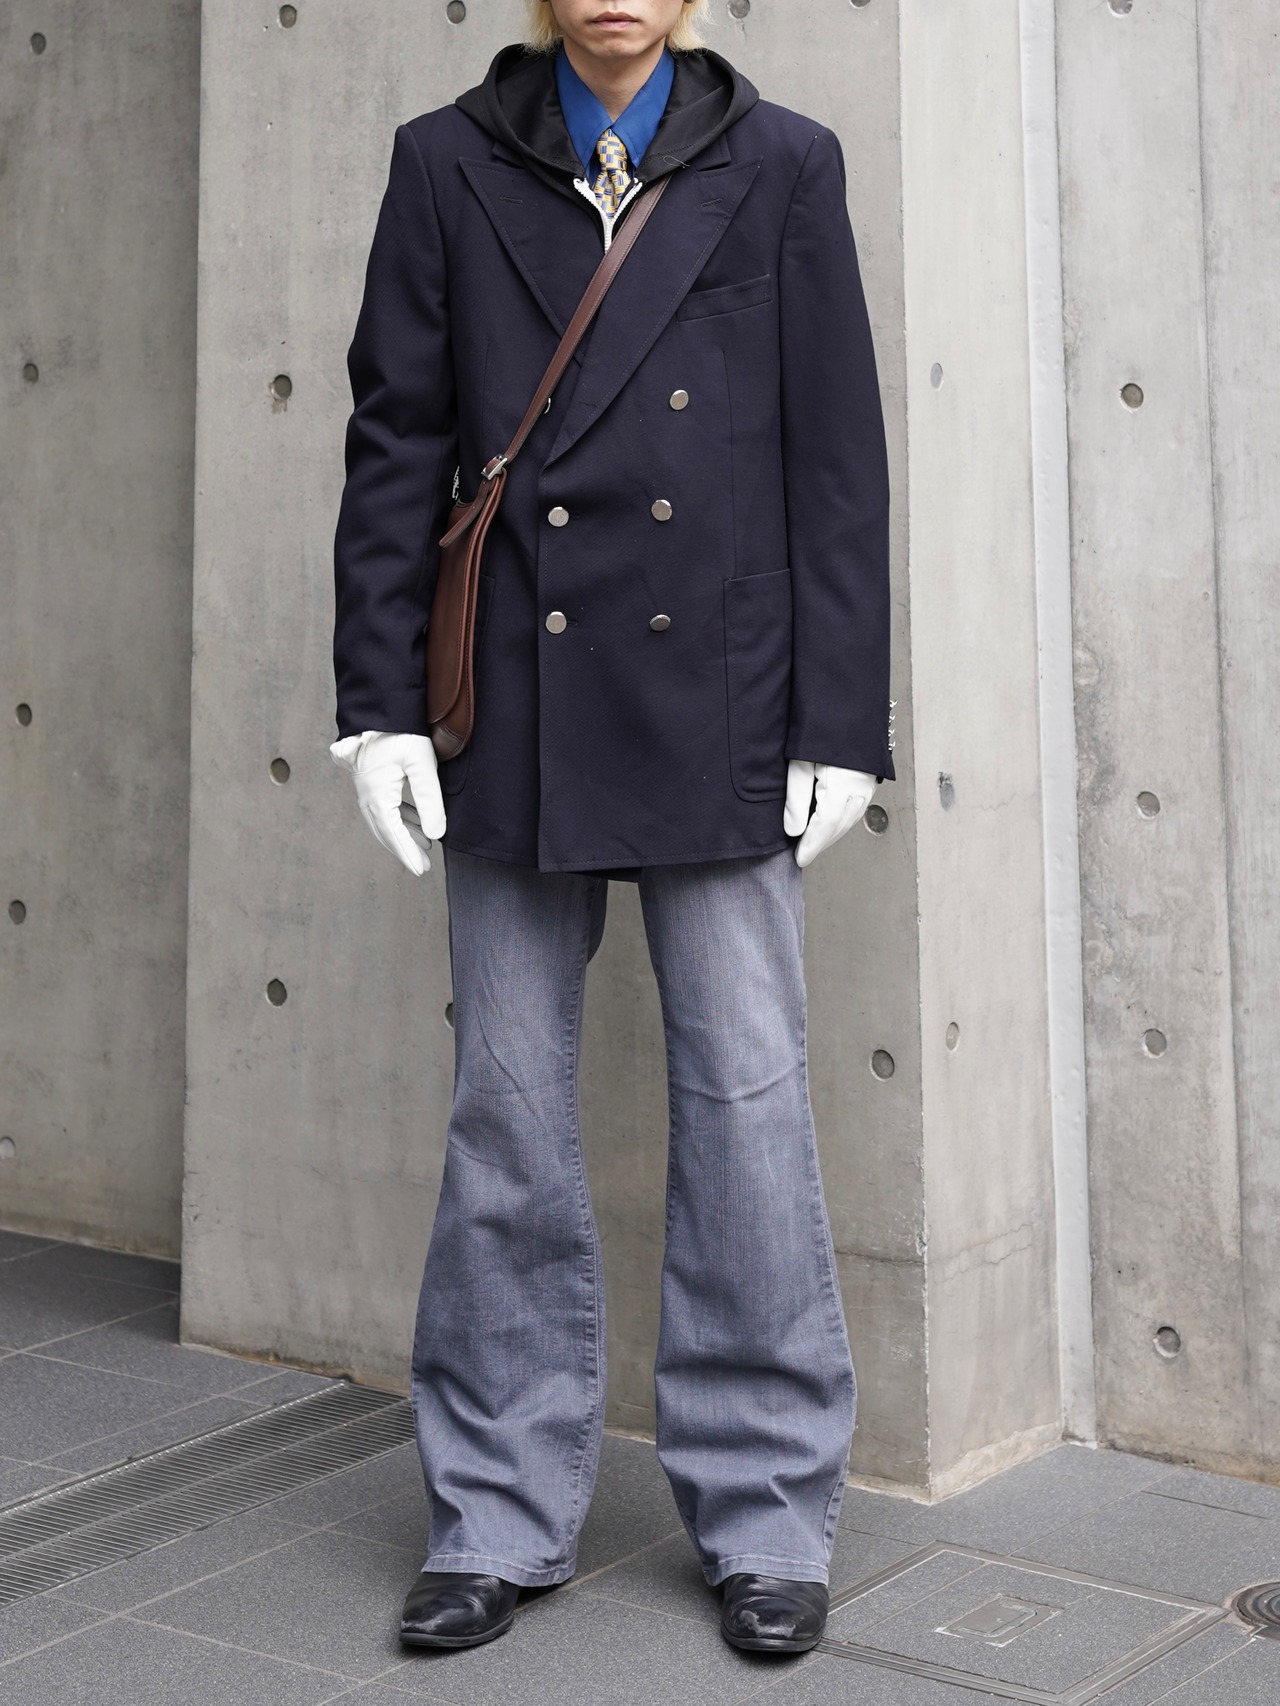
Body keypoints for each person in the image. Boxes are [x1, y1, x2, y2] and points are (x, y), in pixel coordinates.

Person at [330, 0, 892, 1658]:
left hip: (723, 693)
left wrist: (840, 724)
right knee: (505, 1112)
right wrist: (378, 704)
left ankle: (767, 1510)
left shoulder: (782, 164)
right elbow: (396, 443)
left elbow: (835, 459)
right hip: (516, 695)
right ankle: (495, 1510)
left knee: (748, 1107)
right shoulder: (445, 163)